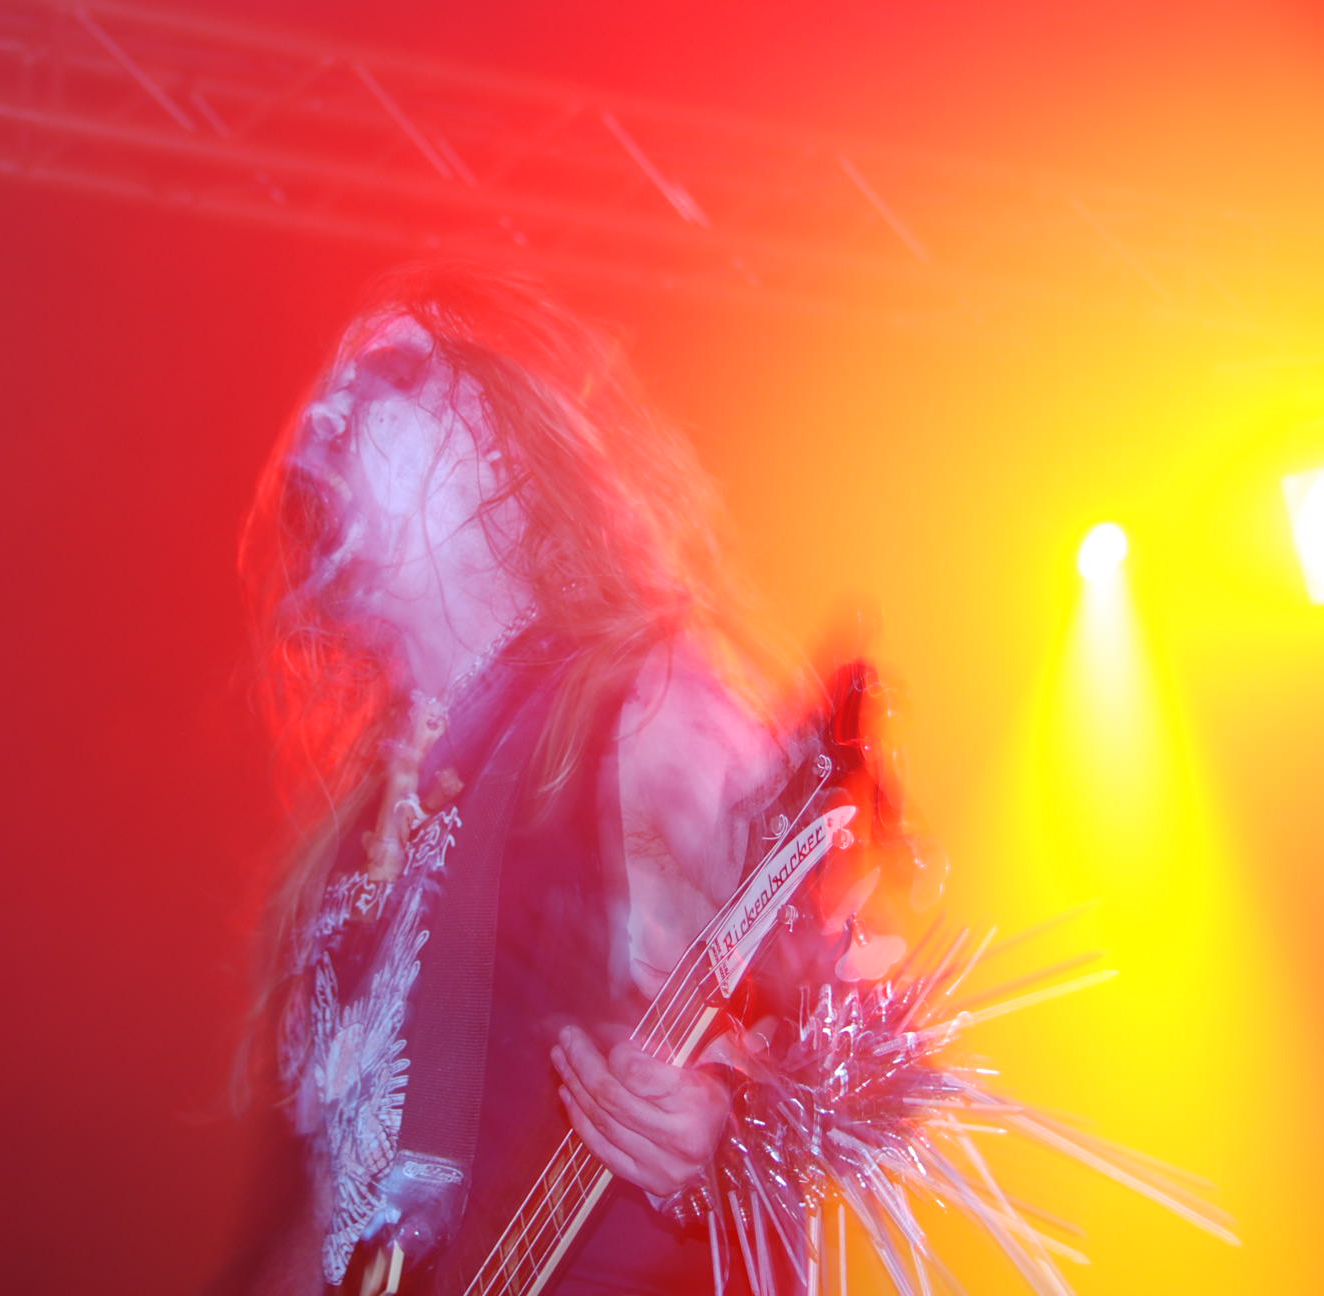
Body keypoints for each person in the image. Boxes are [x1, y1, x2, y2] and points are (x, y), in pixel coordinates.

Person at [233, 260, 860, 1295]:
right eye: (330, 380)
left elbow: (835, 1022)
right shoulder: (352, 834)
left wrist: (721, 1118)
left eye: (391, 374)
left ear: (497, 443)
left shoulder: (639, 706)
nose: (329, 405)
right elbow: (328, 1209)